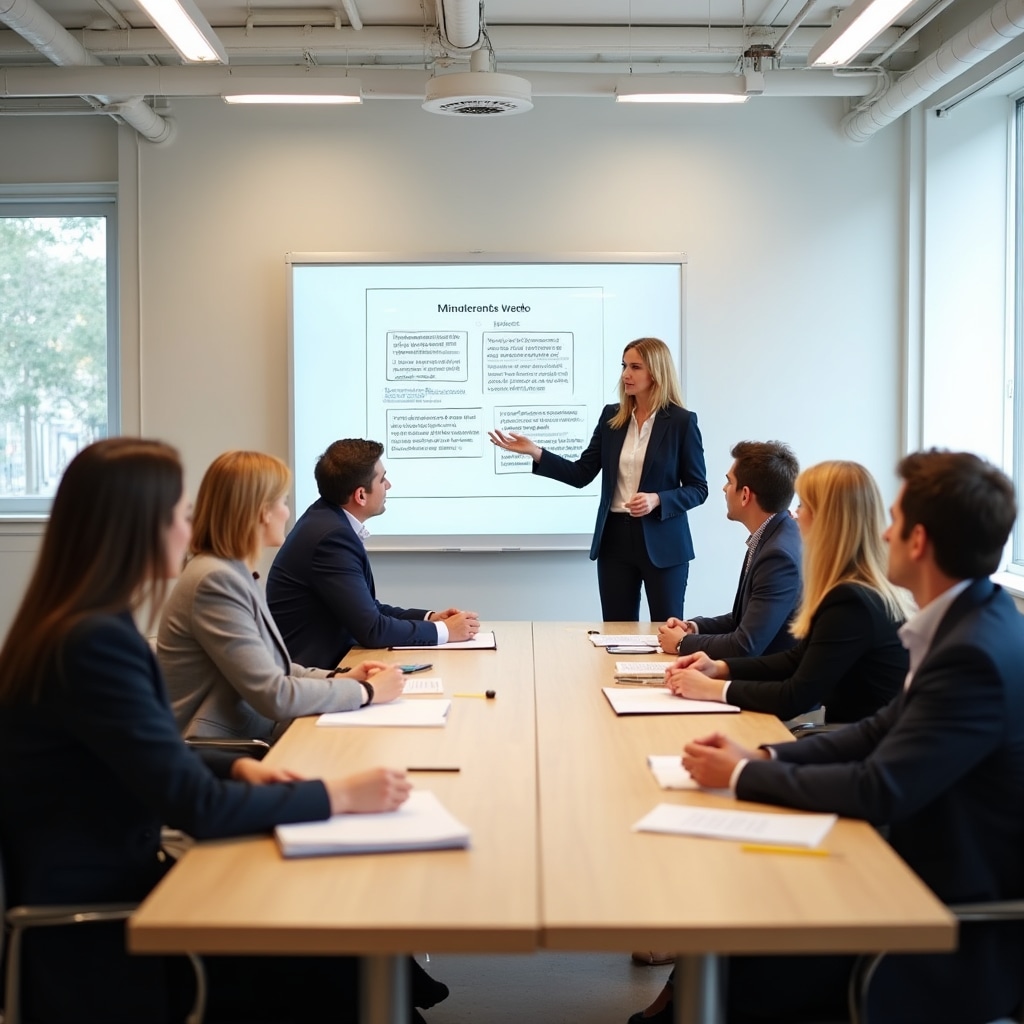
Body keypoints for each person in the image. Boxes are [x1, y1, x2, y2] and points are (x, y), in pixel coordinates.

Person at [0, 438, 413, 1024]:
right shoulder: (95, 645)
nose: (188, 528)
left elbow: (151, 756)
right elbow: (196, 808)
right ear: (136, 529)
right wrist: (338, 796)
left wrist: (237, 765)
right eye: (178, 514)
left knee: (334, 945)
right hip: (108, 917)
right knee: (331, 953)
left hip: (119, 875)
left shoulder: (83, 626)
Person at [635, 449, 1024, 1024]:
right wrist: (762, 755)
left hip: (937, 914)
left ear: (918, 540)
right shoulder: (976, 621)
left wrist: (745, 776)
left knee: (744, 956)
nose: (883, 532)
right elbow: (875, 731)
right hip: (903, 865)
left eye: (894, 521)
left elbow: (880, 787)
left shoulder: (971, 653)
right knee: (742, 912)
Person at [158, 450, 405, 743]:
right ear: (263, 511)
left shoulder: (230, 571)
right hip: (220, 750)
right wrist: (368, 692)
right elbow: (273, 694)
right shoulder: (215, 579)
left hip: (248, 732)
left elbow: (277, 668)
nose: (288, 513)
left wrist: (341, 679)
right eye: (283, 502)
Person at [664, 460, 911, 724]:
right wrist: (720, 668)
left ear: (826, 520)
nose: (795, 514)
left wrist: (711, 689)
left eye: (803, 505)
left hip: (855, 745)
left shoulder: (851, 600)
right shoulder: (853, 586)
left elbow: (794, 697)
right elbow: (798, 658)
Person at [488, 337, 707, 621]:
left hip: (664, 542)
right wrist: (535, 451)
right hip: (614, 539)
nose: (626, 374)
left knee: (666, 631)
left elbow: (698, 489)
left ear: (656, 372)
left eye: (635, 367)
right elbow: (581, 474)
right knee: (617, 631)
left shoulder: (681, 422)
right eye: (624, 365)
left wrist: (658, 499)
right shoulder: (611, 417)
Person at [267, 439, 480, 668]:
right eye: (382, 479)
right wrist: (445, 631)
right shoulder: (331, 537)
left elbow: (368, 609)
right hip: (314, 678)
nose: (388, 485)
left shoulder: (326, 519)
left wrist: (430, 618)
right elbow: (372, 629)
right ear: (361, 495)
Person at [657, 440, 801, 659]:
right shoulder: (773, 534)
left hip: (768, 683)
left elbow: (745, 645)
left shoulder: (778, 556)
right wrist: (693, 627)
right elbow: (741, 620)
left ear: (745, 495)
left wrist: (682, 644)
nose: (724, 489)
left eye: (729, 482)